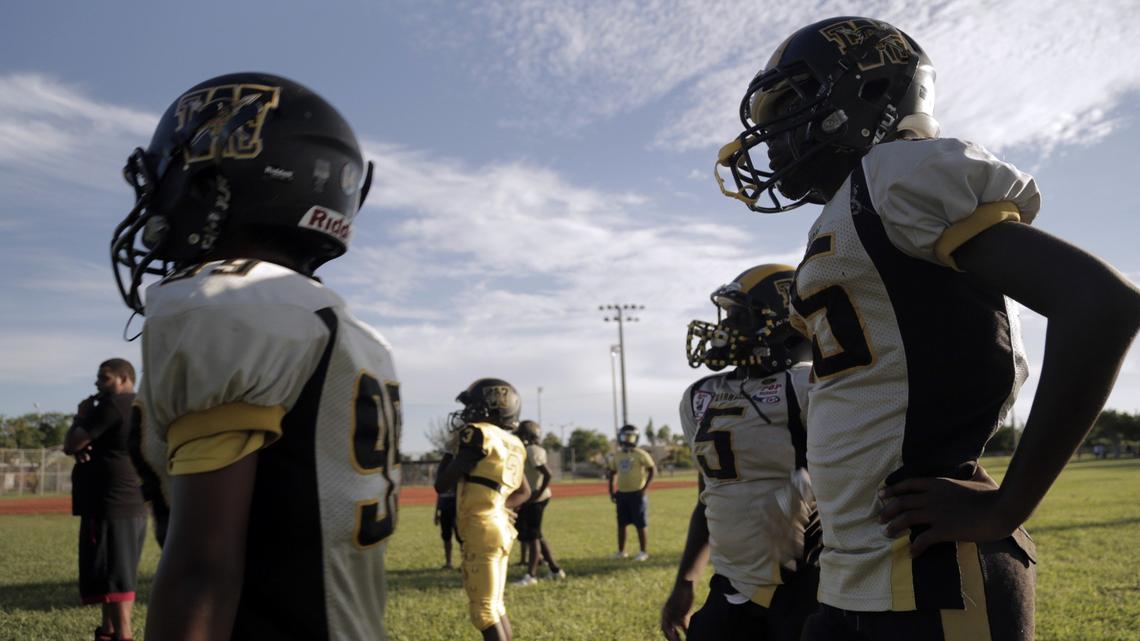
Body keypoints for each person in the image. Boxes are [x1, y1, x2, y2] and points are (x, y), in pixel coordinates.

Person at [714, 17, 1140, 640]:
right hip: (858, 571)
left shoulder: (897, 173)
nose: (772, 136)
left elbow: (1101, 303)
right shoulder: (854, 205)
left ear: (864, 91)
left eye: (786, 105)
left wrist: (1007, 506)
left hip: (931, 574)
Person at [111, 72, 401, 641]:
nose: (157, 198)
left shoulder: (231, 306)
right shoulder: (338, 325)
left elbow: (203, 569)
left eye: (171, 176)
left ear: (215, 183)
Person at [661, 264, 820, 641]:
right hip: (732, 581)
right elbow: (708, 495)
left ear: (784, 322)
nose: (725, 328)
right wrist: (686, 579)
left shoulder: (808, 385)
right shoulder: (700, 396)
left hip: (807, 581)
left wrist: (806, 493)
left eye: (739, 317)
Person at [435, 378, 532, 641]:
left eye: (473, 406)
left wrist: (450, 450)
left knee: (484, 613)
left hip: (481, 528)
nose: (468, 412)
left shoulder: (478, 434)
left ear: (493, 406)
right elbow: (524, 491)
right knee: (495, 607)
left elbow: (441, 483)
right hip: (498, 526)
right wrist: (499, 507)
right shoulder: (515, 443)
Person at [63, 358, 147, 641]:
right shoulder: (142, 405)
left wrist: (81, 416)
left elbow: (72, 443)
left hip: (109, 502)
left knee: (115, 578)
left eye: (104, 378)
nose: (97, 383)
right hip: (132, 501)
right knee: (118, 575)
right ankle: (109, 631)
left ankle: (122, 634)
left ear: (124, 378)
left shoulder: (110, 406)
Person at [513, 419, 566, 586]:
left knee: (533, 536)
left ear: (528, 436)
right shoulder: (532, 449)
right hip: (533, 497)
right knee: (536, 535)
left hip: (536, 499)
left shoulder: (531, 450)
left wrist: (537, 493)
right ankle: (555, 570)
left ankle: (531, 575)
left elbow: (547, 474)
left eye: (521, 436)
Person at [606, 424, 655, 561]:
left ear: (636, 438)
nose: (628, 440)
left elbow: (652, 469)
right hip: (622, 494)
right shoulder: (617, 455)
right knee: (621, 524)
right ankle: (621, 551)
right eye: (625, 436)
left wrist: (644, 489)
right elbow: (612, 473)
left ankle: (643, 552)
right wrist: (611, 491)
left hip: (637, 494)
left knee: (640, 523)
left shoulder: (641, 454)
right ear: (620, 438)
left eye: (631, 437)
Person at [434, 461, 459, 569]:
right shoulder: (442, 480)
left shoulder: (457, 478)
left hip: (456, 509)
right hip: (445, 510)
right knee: (446, 536)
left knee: (460, 537)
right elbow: (439, 496)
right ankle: (448, 562)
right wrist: (436, 513)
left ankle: (465, 561)